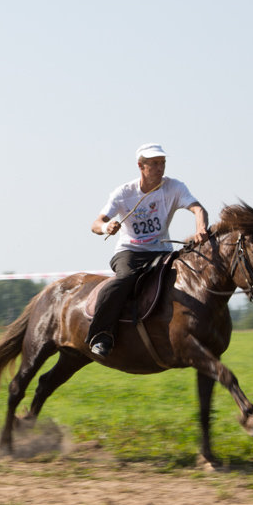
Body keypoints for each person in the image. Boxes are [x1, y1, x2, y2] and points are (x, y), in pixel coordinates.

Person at [86, 143, 209, 358]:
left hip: (162, 251)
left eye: (162, 163)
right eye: (154, 163)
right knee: (125, 280)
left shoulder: (175, 187)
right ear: (141, 166)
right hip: (130, 252)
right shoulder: (123, 193)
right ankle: (101, 335)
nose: (160, 168)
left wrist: (201, 228)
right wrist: (107, 227)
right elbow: (96, 224)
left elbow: (198, 209)